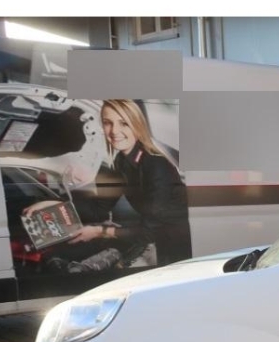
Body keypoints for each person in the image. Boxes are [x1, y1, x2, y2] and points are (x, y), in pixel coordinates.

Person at [67, 98, 191, 266]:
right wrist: (56, 205)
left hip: (184, 245)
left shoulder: (156, 164)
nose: (114, 131)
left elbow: (149, 231)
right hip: (161, 241)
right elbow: (97, 210)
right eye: (108, 123)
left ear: (137, 125)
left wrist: (100, 231)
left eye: (124, 123)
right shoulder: (119, 162)